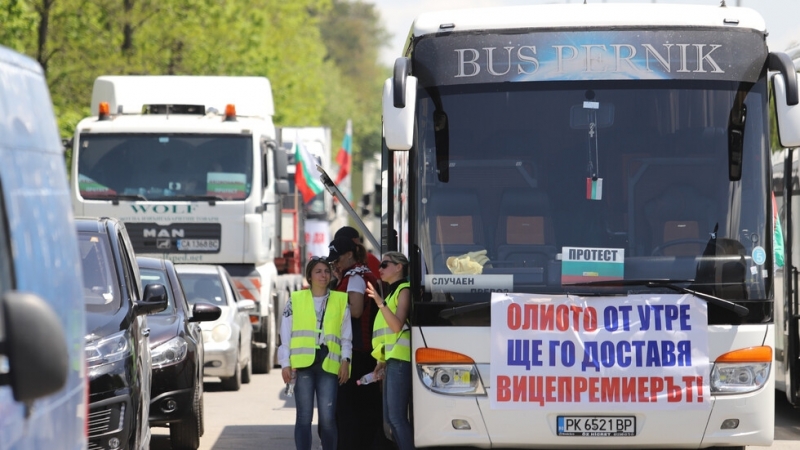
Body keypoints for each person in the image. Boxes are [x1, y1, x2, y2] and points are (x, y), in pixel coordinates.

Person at [279, 257, 352, 450]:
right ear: (309, 276)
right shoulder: (295, 300)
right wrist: (284, 362)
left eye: (326, 271)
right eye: (318, 271)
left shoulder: (340, 300)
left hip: (329, 363)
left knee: (328, 418)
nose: (323, 275)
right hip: (303, 366)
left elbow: (346, 336)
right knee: (304, 417)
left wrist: (346, 360)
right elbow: (285, 333)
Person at [328, 236, 384, 449]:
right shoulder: (354, 274)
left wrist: (330, 306)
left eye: (338, 258)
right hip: (363, 351)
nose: (335, 263)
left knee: (350, 410)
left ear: (350, 254)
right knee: (360, 408)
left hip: (358, 352)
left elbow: (357, 309)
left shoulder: (354, 277)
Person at [365, 252, 414, 450]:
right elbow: (389, 335)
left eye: (385, 264)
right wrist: (382, 361)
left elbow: (396, 326)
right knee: (390, 420)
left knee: (396, 418)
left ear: (399, 267)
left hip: (401, 361)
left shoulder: (404, 290)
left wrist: (379, 302)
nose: (380, 268)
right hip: (393, 360)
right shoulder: (393, 292)